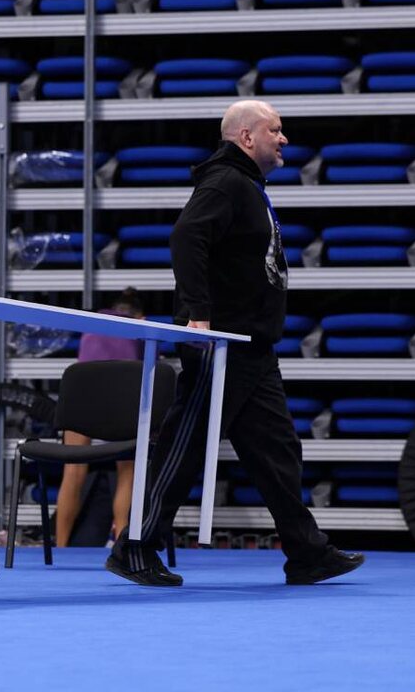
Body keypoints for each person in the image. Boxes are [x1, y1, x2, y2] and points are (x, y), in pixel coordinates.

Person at [105, 100, 365, 586]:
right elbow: (186, 238)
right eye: (275, 130)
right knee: (184, 448)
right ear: (246, 137)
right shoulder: (226, 181)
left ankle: (307, 552)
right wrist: (198, 316)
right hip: (220, 347)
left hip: (252, 349)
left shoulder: (246, 185)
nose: (284, 139)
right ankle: (134, 547)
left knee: (277, 452)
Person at [54, 287, 143, 548]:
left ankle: (60, 546)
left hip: (82, 397)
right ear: (141, 315)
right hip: (122, 399)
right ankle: (123, 546)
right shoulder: (142, 328)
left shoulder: (92, 325)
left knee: (73, 472)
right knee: (127, 472)